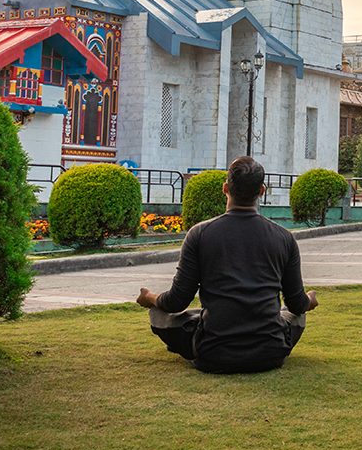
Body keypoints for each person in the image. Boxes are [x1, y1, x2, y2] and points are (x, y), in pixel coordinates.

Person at [136, 156, 318, 373]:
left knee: (159, 314)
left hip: (213, 352)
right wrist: (309, 299)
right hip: (270, 350)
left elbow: (176, 302)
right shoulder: (284, 238)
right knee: (297, 315)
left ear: (225, 188)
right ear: (262, 191)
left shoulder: (200, 234)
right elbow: (297, 304)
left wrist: (150, 298)